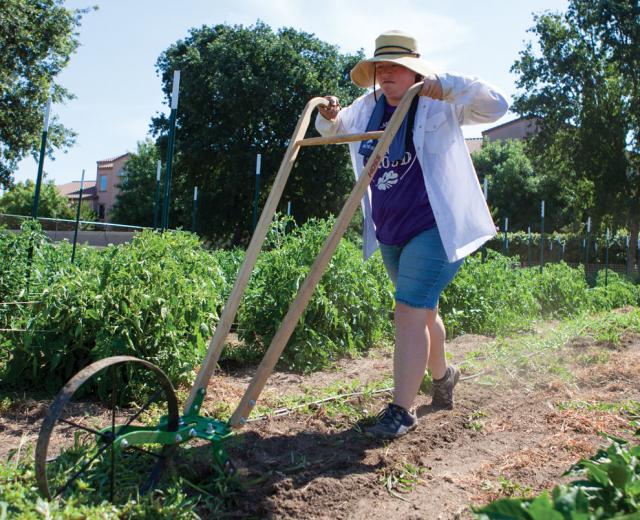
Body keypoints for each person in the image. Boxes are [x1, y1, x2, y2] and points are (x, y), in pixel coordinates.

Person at [315, 30, 508, 440]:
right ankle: (444, 376)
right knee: (423, 311)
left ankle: (401, 410)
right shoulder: (367, 107)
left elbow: (497, 105)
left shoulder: (437, 103)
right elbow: (333, 131)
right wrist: (329, 116)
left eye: (395, 66)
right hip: (391, 231)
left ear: (415, 70)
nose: (386, 73)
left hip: (435, 227)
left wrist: (449, 85)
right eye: (379, 67)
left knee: (407, 311)